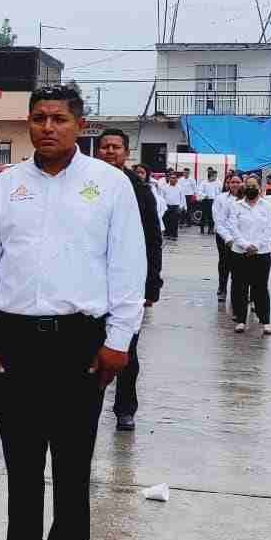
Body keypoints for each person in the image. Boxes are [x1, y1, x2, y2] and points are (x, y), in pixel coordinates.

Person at [0, 83, 145, 540]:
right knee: (21, 461)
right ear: (28, 125)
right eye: (39, 118)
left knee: (71, 460)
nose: (48, 127)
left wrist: (118, 340)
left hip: (80, 341)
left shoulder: (110, 186)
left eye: (59, 118)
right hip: (14, 338)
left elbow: (127, 267)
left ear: (79, 125)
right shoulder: (3, 188)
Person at [96, 129, 163, 432]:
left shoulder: (139, 189)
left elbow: (153, 240)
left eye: (116, 147)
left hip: (128, 285)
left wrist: (152, 285)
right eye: (105, 147)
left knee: (127, 352)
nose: (110, 152)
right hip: (90, 285)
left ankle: (125, 408)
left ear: (126, 153)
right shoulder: (86, 184)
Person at [230, 174, 271, 335]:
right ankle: (241, 320)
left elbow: (269, 229)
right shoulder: (237, 206)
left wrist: (256, 246)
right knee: (240, 287)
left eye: (254, 186)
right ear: (244, 187)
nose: (251, 188)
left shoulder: (267, 206)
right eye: (248, 185)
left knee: (260, 288)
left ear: (259, 188)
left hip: (261, 253)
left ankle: (265, 321)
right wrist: (245, 245)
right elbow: (233, 228)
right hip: (240, 253)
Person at [212, 173, 243, 301]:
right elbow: (218, 220)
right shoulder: (220, 199)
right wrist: (228, 238)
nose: (235, 184)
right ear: (228, 184)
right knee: (224, 263)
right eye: (232, 182)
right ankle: (222, 288)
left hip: (241, 238)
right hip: (223, 236)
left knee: (239, 265)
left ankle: (238, 292)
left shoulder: (246, 198)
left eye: (237, 182)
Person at [160, 171, 185, 240]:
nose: (173, 179)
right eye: (171, 178)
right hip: (166, 206)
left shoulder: (180, 188)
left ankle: (174, 235)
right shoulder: (164, 187)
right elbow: (162, 198)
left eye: (174, 178)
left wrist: (182, 207)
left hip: (176, 207)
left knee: (174, 222)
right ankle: (167, 234)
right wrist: (162, 207)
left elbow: (182, 198)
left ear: (176, 179)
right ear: (169, 178)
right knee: (166, 221)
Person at [197, 168, 221, 235]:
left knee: (212, 216)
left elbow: (218, 192)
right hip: (206, 201)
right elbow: (199, 191)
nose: (215, 178)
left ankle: (210, 229)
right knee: (204, 215)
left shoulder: (216, 183)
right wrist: (205, 195)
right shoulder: (204, 182)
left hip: (213, 201)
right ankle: (202, 229)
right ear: (210, 176)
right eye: (214, 176)